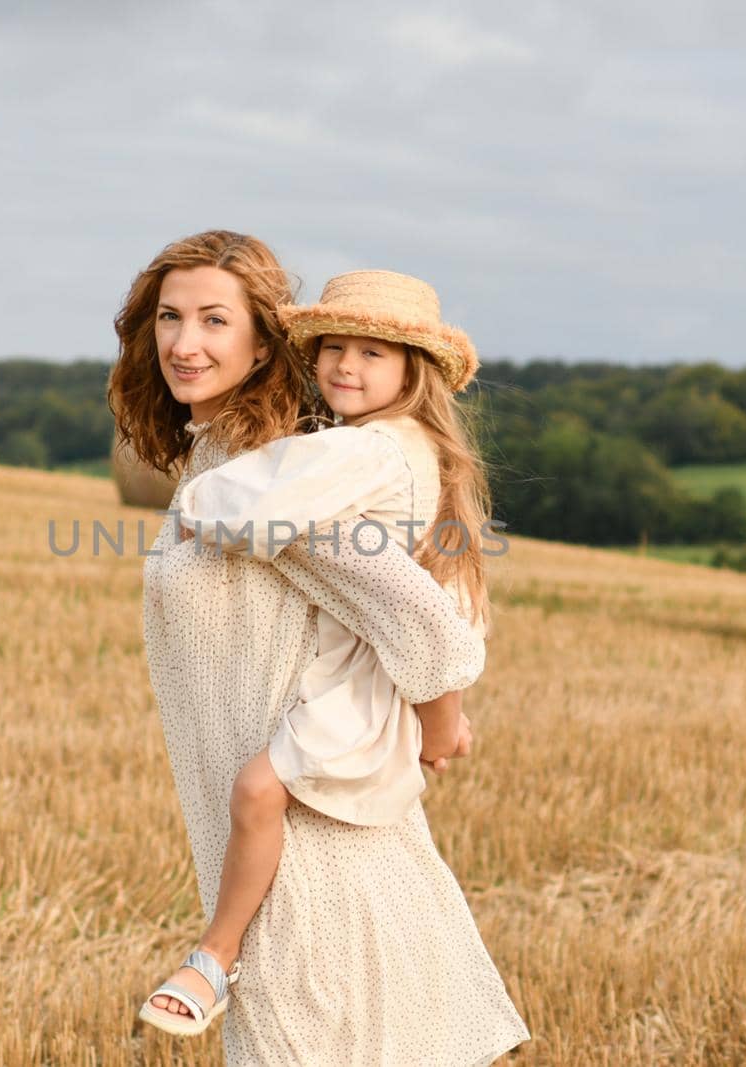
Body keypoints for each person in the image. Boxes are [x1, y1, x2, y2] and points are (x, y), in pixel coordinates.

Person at [110, 231, 528, 1064]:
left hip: (307, 855)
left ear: (262, 341)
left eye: (214, 321)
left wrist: (442, 720)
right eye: (169, 317)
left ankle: (214, 959)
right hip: (288, 825)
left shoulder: (284, 477)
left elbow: (417, 617)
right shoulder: (238, 455)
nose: (183, 343)